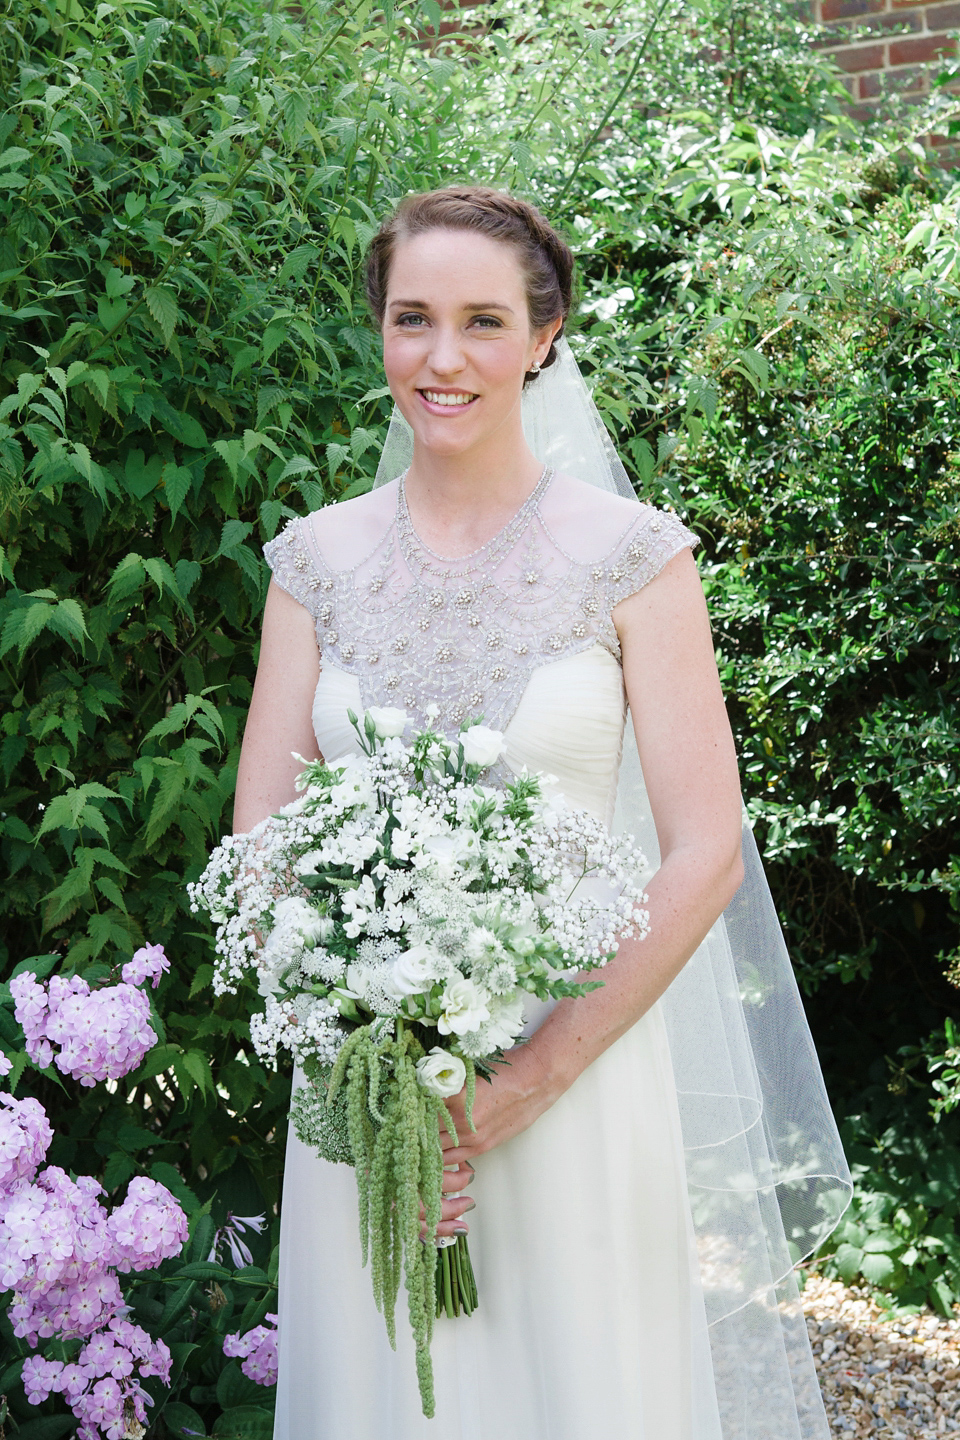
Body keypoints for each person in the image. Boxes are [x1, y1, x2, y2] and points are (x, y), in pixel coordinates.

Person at [233, 186, 850, 1440]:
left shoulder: (634, 557)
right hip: (372, 1107)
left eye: (482, 321)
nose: (443, 358)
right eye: (412, 319)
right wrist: (378, 1073)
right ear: (380, 333)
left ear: (545, 334)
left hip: (577, 1086)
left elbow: (706, 850)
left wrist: (516, 1088)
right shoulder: (313, 564)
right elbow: (262, 845)